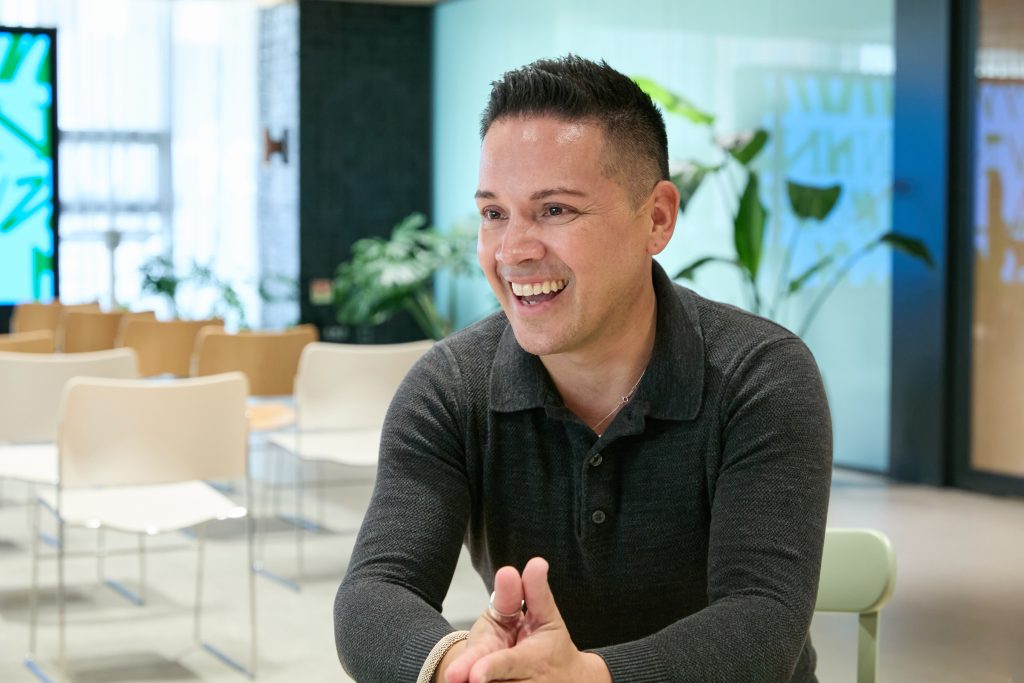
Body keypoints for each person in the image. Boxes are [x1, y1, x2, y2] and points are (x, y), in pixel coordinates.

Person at [335, 55, 832, 683]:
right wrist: (456, 664)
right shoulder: (450, 387)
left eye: (556, 211)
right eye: (494, 213)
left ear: (656, 218)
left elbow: (763, 621)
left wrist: (592, 677)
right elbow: (374, 591)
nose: (513, 250)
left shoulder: (760, 377)